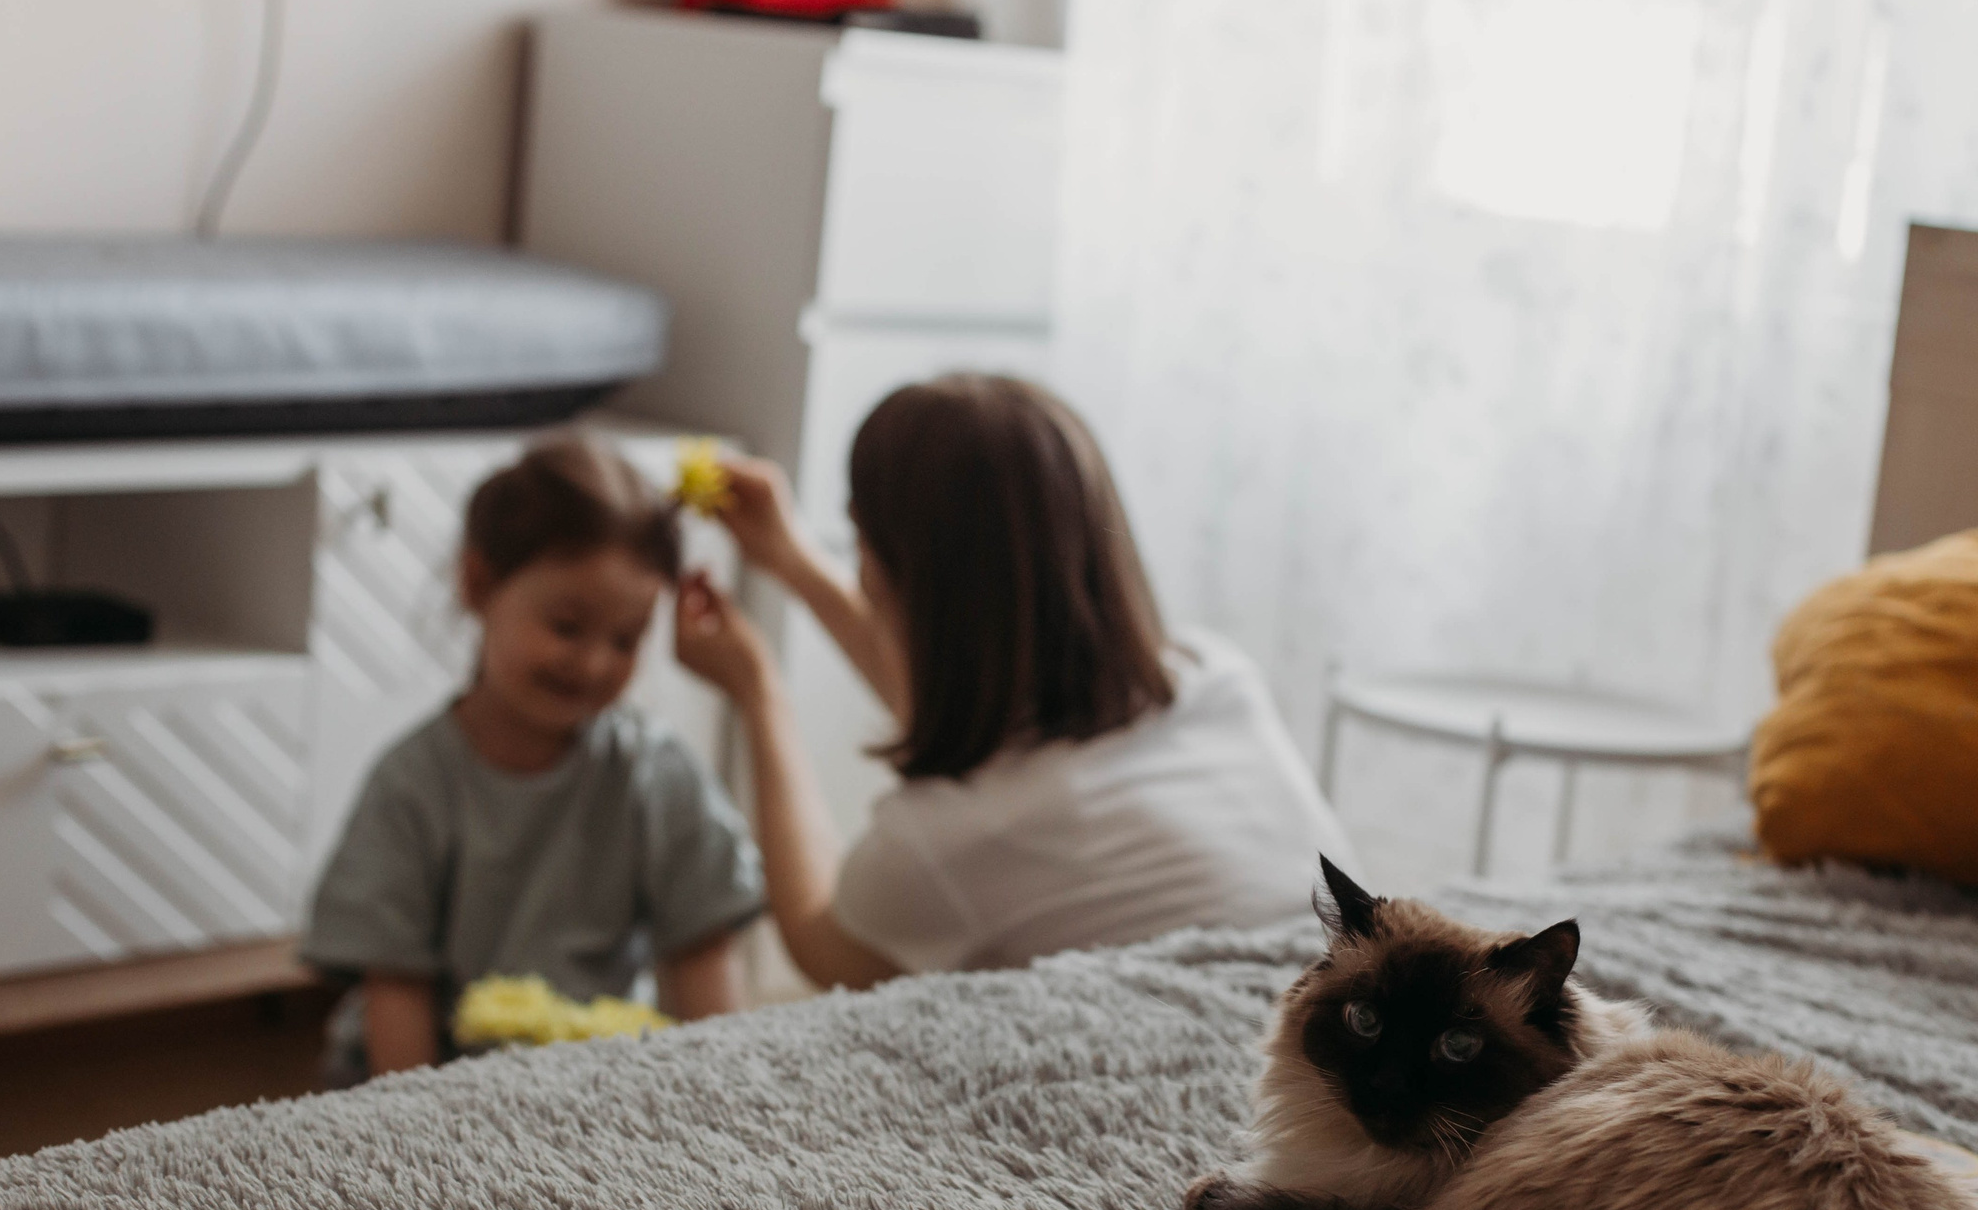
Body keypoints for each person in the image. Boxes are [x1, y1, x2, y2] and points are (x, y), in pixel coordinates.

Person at [671, 372, 1352, 987]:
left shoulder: (943, 845)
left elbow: (821, 940)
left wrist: (758, 690)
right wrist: (792, 558)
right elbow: (980, 718)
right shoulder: (1215, 675)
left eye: (861, 543)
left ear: (901, 579)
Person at [302, 435, 763, 1079]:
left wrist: (722, 1089)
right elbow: (395, 987)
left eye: (626, 639)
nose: (594, 662)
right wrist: (417, 1133)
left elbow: (701, 950)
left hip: (593, 1074)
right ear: (479, 583)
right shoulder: (412, 784)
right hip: (429, 1081)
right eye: (568, 627)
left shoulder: (654, 772)